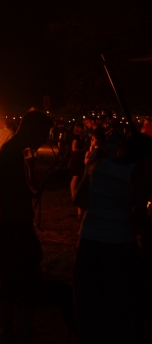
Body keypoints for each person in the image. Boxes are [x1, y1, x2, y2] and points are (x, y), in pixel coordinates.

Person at [73, 134, 152, 343]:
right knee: (116, 298)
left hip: (88, 238)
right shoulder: (138, 174)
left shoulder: (96, 165)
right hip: (119, 243)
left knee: (88, 297)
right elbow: (140, 216)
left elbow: (79, 199)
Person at [0, 111, 53, 344]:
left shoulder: (13, 151)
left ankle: (11, 333)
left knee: (9, 284)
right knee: (25, 285)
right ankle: (21, 334)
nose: (44, 138)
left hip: (5, 227)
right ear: (31, 130)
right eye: (44, 133)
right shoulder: (14, 154)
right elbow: (18, 192)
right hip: (14, 229)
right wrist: (38, 188)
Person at [67, 123, 86, 218]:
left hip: (79, 158)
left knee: (78, 176)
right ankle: (73, 194)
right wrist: (82, 150)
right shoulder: (76, 137)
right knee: (75, 176)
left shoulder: (81, 137)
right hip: (76, 158)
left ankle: (75, 195)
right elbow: (74, 148)